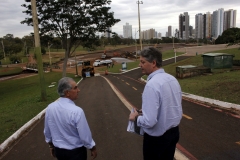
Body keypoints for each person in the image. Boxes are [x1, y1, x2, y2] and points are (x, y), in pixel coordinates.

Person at [129, 47, 182, 160]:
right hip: (173, 133)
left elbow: (149, 121)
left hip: (157, 140)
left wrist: (135, 118)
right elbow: (170, 106)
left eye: (143, 62)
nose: (140, 65)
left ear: (153, 63)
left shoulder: (152, 85)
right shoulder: (172, 79)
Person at [44, 77, 97, 160]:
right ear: (67, 93)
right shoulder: (77, 111)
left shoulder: (50, 108)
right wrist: (92, 147)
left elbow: (47, 131)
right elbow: (84, 135)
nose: (78, 90)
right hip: (76, 153)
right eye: (75, 88)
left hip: (59, 152)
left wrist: (51, 146)